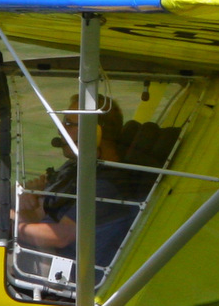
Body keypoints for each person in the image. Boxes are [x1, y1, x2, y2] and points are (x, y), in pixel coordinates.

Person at [14, 96, 137, 263]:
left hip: (69, 273)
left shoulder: (105, 185)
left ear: (96, 132)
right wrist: (27, 204)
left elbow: (61, 236)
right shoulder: (78, 169)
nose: (60, 131)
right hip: (47, 254)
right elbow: (44, 220)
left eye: (69, 124)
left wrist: (6, 221)